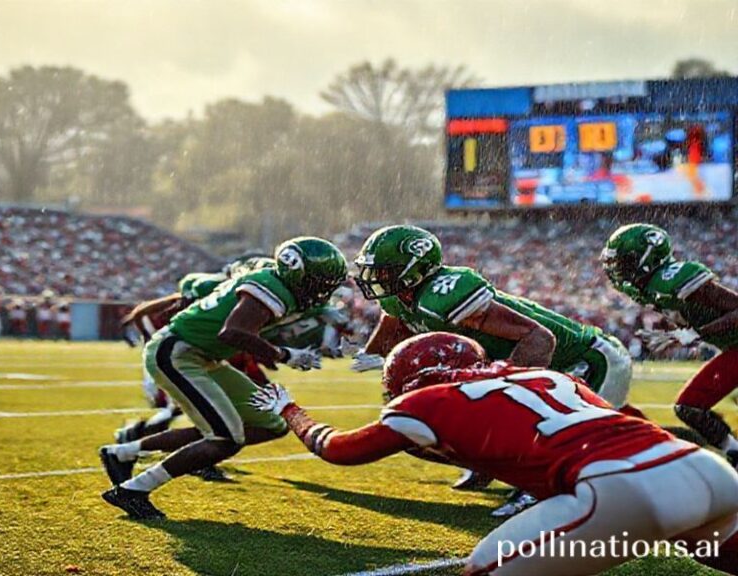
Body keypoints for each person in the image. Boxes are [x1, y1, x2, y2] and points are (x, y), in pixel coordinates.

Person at [251, 332, 738, 576]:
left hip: (622, 488)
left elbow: (340, 450)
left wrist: (290, 409)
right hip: (705, 471)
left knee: (485, 567)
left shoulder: (424, 401)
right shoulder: (551, 377)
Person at [352, 225, 632, 513]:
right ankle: (487, 465)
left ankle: (546, 487)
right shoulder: (400, 298)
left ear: (414, 267)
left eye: (385, 270)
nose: (377, 278)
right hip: (526, 362)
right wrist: (372, 355)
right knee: (419, 427)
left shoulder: (445, 292)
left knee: (565, 439)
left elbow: (540, 338)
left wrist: (502, 393)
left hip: (588, 360)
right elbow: (392, 326)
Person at [99, 237, 348, 520]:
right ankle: (134, 490)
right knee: (226, 437)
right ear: (300, 275)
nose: (324, 291)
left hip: (205, 358)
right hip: (178, 354)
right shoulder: (271, 288)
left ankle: (124, 452)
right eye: (321, 282)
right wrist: (284, 354)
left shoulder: (278, 282)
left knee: (270, 423)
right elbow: (231, 333)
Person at [602, 223, 738, 463]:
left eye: (625, 261)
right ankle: (734, 453)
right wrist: (679, 332)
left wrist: (697, 332)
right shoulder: (643, 287)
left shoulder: (673, 278)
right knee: (689, 407)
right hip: (733, 349)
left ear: (647, 258)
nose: (618, 269)